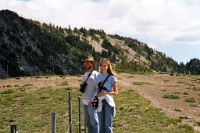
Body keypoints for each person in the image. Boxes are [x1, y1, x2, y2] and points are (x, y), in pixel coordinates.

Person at [97, 58, 118, 133]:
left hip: (108, 102)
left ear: (108, 66)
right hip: (99, 102)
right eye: (101, 65)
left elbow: (116, 92)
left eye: (104, 65)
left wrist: (105, 93)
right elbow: (96, 89)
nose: (103, 67)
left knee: (108, 125)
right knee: (101, 125)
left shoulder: (112, 78)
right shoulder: (98, 76)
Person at [81, 56, 99, 133]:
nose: (86, 64)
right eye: (85, 63)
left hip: (91, 102)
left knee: (94, 122)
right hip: (84, 101)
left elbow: (98, 89)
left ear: (92, 64)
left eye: (88, 63)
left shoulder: (95, 74)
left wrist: (92, 100)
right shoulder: (86, 74)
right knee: (88, 122)